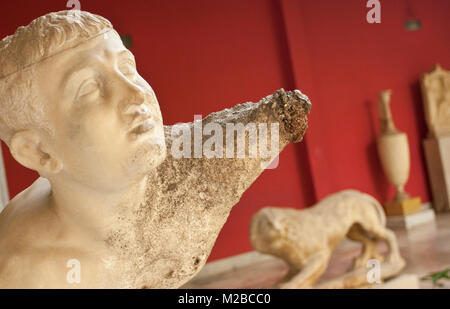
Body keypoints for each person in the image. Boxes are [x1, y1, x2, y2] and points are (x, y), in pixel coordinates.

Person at [0, 10, 310, 288]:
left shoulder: (201, 173)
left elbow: (268, 123)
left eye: (128, 68)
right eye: (89, 89)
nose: (136, 94)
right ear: (38, 152)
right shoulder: (29, 275)